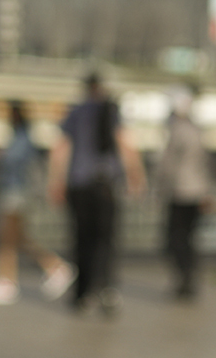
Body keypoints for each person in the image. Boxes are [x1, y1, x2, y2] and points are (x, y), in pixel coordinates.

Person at [48, 73, 146, 313]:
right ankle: (106, 289)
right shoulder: (110, 112)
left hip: (79, 185)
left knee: (81, 238)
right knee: (106, 239)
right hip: (105, 185)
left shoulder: (76, 113)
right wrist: (136, 177)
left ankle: (81, 293)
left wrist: (55, 181)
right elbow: (125, 145)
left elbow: (60, 149)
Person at [0, 102, 76, 305]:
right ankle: (52, 267)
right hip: (15, 190)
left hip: (16, 190)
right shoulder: (20, 134)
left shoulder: (22, 136)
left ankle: (10, 279)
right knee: (16, 237)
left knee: (8, 238)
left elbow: (15, 159)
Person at [156, 87, 213, 299]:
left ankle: (183, 278)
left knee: (176, 239)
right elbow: (207, 164)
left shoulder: (176, 130)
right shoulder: (198, 131)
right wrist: (208, 192)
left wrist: (160, 188)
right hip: (198, 191)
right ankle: (189, 278)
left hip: (179, 192)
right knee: (189, 238)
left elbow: (168, 163)